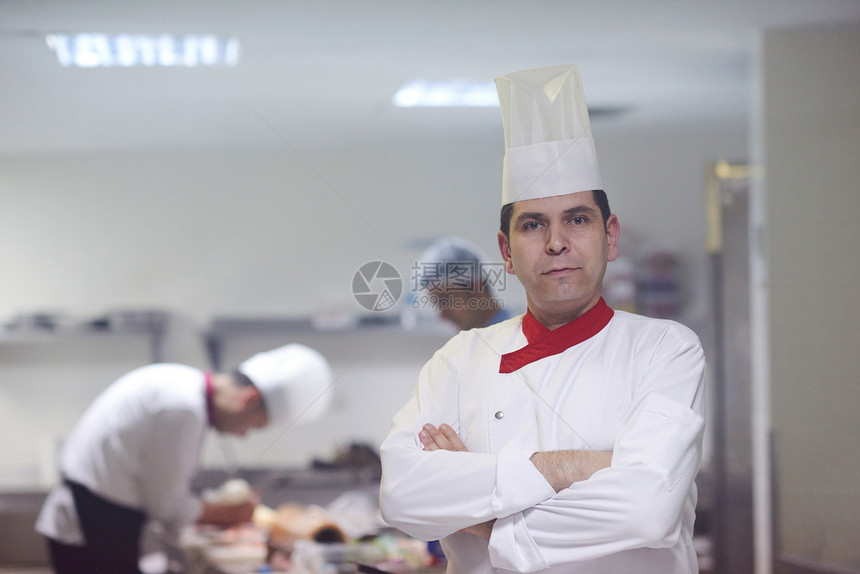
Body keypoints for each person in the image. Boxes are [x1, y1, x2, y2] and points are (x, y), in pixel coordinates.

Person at [379, 64, 706, 573]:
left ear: (610, 236)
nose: (556, 242)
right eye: (533, 225)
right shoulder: (461, 361)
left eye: (577, 219)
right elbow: (402, 494)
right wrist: (580, 464)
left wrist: (480, 508)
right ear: (506, 252)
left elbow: (646, 511)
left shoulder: (665, 349)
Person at [36, 343, 332, 574]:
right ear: (249, 399)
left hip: (97, 521)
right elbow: (167, 505)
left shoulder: (180, 384)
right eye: (254, 424)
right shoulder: (183, 408)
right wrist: (231, 513)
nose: (244, 434)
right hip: (91, 527)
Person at [415, 236, 512, 330]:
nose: (443, 316)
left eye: (445, 300)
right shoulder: (480, 342)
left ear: (478, 288)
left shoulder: (516, 339)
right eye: (437, 304)